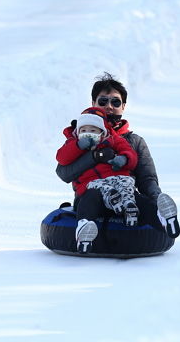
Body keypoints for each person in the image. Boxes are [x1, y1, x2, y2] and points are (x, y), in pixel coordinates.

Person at [56, 72, 180, 252]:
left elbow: (147, 179)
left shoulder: (133, 141)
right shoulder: (80, 137)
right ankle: (85, 230)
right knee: (92, 198)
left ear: (123, 106)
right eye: (103, 101)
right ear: (93, 104)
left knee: (140, 202)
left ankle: (162, 219)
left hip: (125, 198)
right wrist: (95, 156)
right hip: (92, 198)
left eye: (115, 102)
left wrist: (156, 200)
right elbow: (64, 172)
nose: (109, 107)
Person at [56, 106, 140, 253]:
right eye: (84, 130)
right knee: (93, 195)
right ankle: (84, 229)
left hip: (116, 184)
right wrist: (78, 146)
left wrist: (123, 159)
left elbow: (130, 153)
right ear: (77, 133)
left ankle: (156, 215)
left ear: (102, 133)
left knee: (129, 188)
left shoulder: (112, 141)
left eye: (93, 130)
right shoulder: (73, 144)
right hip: (91, 191)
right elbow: (62, 158)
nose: (89, 134)